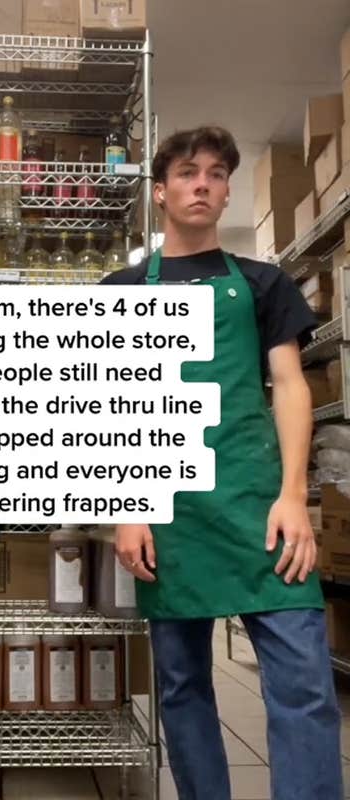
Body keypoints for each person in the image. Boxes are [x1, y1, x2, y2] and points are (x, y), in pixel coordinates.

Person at [101, 126, 342, 799]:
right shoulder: (120, 290)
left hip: (259, 505)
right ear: (160, 192)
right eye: (185, 172)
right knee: (181, 688)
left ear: (227, 189)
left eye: (213, 173)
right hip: (169, 512)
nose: (201, 183)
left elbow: (290, 387)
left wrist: (294, 496)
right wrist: (127, 509)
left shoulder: (263, 284)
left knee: (303, 683)